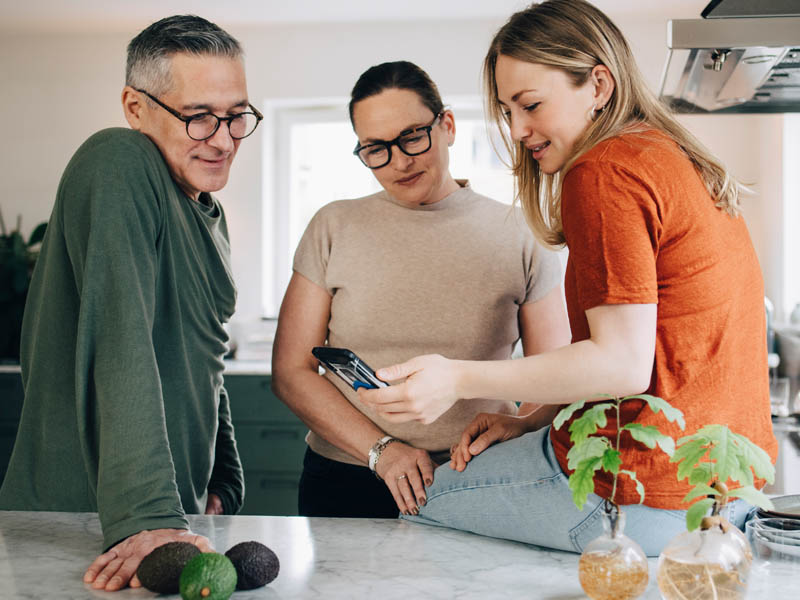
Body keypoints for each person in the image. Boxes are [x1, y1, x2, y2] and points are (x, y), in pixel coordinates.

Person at [358, 0, 778, 556]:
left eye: (530, 105)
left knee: (422, 503)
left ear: (598, 84)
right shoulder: (665, 154)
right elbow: (650, 351)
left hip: (637, 495)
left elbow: (621, 365)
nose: (519, 130)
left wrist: (456, 378)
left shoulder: (602, 171)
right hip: (721, 492)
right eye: (509, 112)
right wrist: (536, 419)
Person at [0, 15, 262, 591]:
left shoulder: (206, 212)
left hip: (170, 521)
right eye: (198, 116)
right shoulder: (118, 161)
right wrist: (148, 516)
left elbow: (203, 353)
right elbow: (121, 341)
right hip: (89, 522)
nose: (222, 139)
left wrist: (222, 476)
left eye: (236, 115)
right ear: (136, 107)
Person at [271, 60, 570, 519]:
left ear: (446, 125)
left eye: (412, 136)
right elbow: (292, 371)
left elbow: (554, 375)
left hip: (478, 476)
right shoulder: (333, 225)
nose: (399, 160)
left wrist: (518, 423)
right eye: (376, 148)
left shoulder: (520, 232)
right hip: (349, 477)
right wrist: (382, 451)